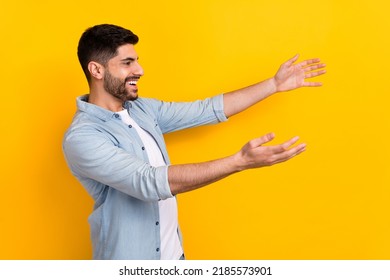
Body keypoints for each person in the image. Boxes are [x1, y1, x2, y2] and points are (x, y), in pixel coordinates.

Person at [62, 24, 326, 260]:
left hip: (174, 256)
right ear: (96, 69)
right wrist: (239, 162)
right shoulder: (83, 136)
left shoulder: (142, 109)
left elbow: (206, 110)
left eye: (137, 61)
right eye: (127, 62)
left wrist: (274, 84)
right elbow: (148, 182)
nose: (139, 70)